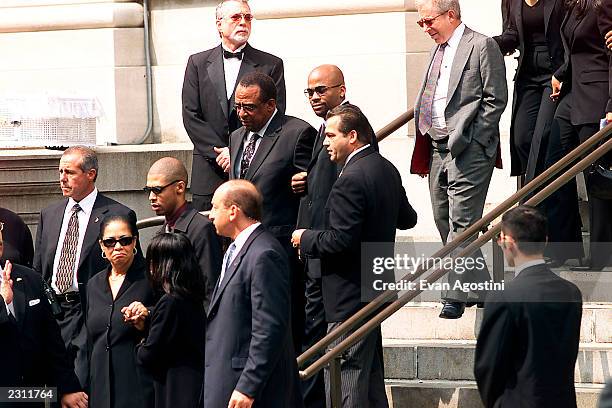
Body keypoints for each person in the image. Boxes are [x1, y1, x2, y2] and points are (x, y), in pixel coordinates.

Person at [292, 104, 418, 408]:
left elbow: (340, 240)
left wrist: (305, 237)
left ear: (352, 136)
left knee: (344, 373)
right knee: (370, 374)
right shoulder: (385, 168)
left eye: (331, 136)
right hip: (375, 286)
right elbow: (408, 218)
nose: (325, 142)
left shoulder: (350, 178)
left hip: (348, 296)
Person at [410, 0, 508, 319]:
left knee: (463, 220)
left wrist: (476, 139)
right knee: (442, 216)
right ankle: (480, 284)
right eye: (420, 23)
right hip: (436, 144)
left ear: (450, 15)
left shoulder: (481, 45)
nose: (425, 28)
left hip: (470, 147)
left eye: (428, 22)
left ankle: (454, 294)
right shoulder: (435, 50)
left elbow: (495, 98)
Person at [32, 146, 140, 385]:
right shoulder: (49, 214)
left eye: (69, 172)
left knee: (82, 386)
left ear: (90, 174)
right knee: (51, 388)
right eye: (60, 171)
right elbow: (39, 268)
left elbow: (133, 270)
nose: (62, 178)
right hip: (53, 313)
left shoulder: (117, 214)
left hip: (89, 312)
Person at [224, 71, 316, 350]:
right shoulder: (237, 137)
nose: (241, 113)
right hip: (241, 247)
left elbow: (308, 195)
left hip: (280, 248)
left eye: (249, 107)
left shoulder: (297, 133)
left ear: (270, 105)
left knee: (283, 326)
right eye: (237, 106)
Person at [204, 180, 303, 408]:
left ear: (233, 211)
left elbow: (269, 327)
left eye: (215, 207)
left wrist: (248, 386)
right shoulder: (236, 249)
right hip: (227, 381)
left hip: (250, 392)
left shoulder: (264, 254)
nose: (210, 215)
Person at [182, 0, 286, 212]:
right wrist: (222, 154)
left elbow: (275, 114)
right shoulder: (197, 63)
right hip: (208, 170)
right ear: (219, 24)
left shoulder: (271, 64)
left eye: (247, 17)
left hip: (254, 168)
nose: (243, 23)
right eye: (236, 17)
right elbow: (190, 114)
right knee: (208, 237)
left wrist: (238, 151)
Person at [474, 205, 583, 408]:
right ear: (546, 240)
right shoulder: (571, 292)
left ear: (509, 242)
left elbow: (488, 366)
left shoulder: (504, 296)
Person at [549, 0, 612, 271]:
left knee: (597, 175)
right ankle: (566, 243)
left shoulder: (603, 5)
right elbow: (573, 49)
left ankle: (599, 255)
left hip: (597, 95)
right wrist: (561, 73)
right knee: (555, 164)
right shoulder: (572, 6)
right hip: (572, 94)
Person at [0, 228, 88, 408]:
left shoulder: (29, 277)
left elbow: (52, 339)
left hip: (31, 395)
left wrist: (66, 388)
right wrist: (3, 302)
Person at [86, 215, 157, 408]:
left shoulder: (152, 277)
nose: (117, 247)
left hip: (138, 383)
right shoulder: (93, 284)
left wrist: (147, 315)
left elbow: (170, 317)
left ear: (135, 241)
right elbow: (90, 340)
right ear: (101, 245)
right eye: (110, 242)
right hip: (100, 386)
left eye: (124, 240)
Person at [493, 0, 566, 182]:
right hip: (527, 75)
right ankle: (539, 193)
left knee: (542, 137)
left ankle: (531, 201)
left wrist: (565, 72)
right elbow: (511, 34)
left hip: (555, 74)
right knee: (521, 138)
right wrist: (489, 44)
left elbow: (569, 32)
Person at [136, 233, 206, 408]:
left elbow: (149, 354)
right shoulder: (192, 297)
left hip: (174, 389)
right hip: (194, 385)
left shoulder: (170, 302)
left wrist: (141, 343)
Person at [145, 157, 222, 308]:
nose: (151, 197)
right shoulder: (163, 230)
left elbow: (211, 288)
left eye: (157, 190)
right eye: (148, 190)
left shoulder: (201, 229)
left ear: (180, 187)